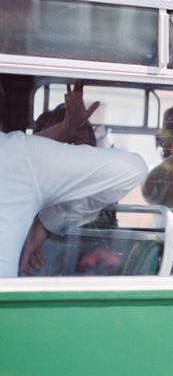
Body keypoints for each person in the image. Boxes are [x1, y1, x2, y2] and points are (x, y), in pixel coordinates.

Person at [1, 83, 147, 277]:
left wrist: (45, 225)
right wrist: (43, 226)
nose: (75, 149)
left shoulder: (96, 191)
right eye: (68, 144)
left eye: (81, 145)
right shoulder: (23, 160)